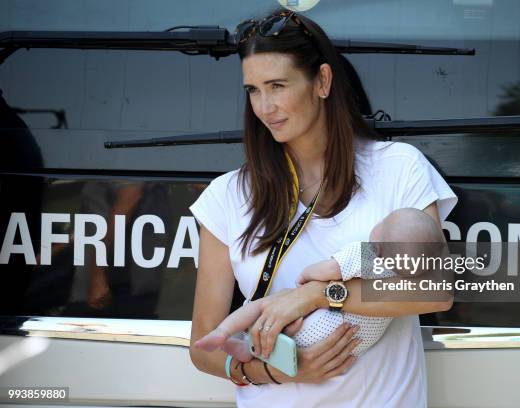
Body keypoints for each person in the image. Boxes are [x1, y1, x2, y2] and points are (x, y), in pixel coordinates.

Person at [189, 8, 458, 407]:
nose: (264, 107)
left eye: (278, 85)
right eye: (253, 90)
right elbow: (202, 346)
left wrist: (318, 295)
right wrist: (270, 372)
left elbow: (435, 291)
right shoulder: (226, 195)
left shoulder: (398, 166)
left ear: (323, 81)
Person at [194, 209, 447, 362]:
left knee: (267, 304)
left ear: (380, 241)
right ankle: (253, 349)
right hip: (351, 347)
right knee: (280, 340)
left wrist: (307, 283)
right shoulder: (404, 280)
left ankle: (226, 332)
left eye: (384, 222)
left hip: (317, 328)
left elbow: (329, 270)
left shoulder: (368, 255)